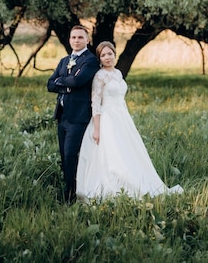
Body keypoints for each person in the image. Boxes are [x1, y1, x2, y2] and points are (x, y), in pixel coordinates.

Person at [76, 40, 183, 201]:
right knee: (113, 153)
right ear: (99, 58)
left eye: (109, 54)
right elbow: (96, 104)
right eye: (103, 55)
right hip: (107, 119)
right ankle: (117, 185)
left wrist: (126, 117)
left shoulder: (118, 73)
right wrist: (97, 129)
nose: (107, 57)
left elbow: (122, 99)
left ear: (114, 54)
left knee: (129, 151)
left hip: (122, 117)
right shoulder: (99, 76)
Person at [47, 25, 100, 202]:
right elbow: (50, 84)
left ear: (87, 40)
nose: (76, 40)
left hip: (78, 117)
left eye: (80, 37)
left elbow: (78, 80)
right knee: (64, 156)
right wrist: (67, 84)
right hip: (62, 116)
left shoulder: (90, 60)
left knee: (71, 155)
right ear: (69, 39)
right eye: (73, 37)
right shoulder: (64, 60)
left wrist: (62, 82)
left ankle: (71, 196)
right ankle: (69, 190)